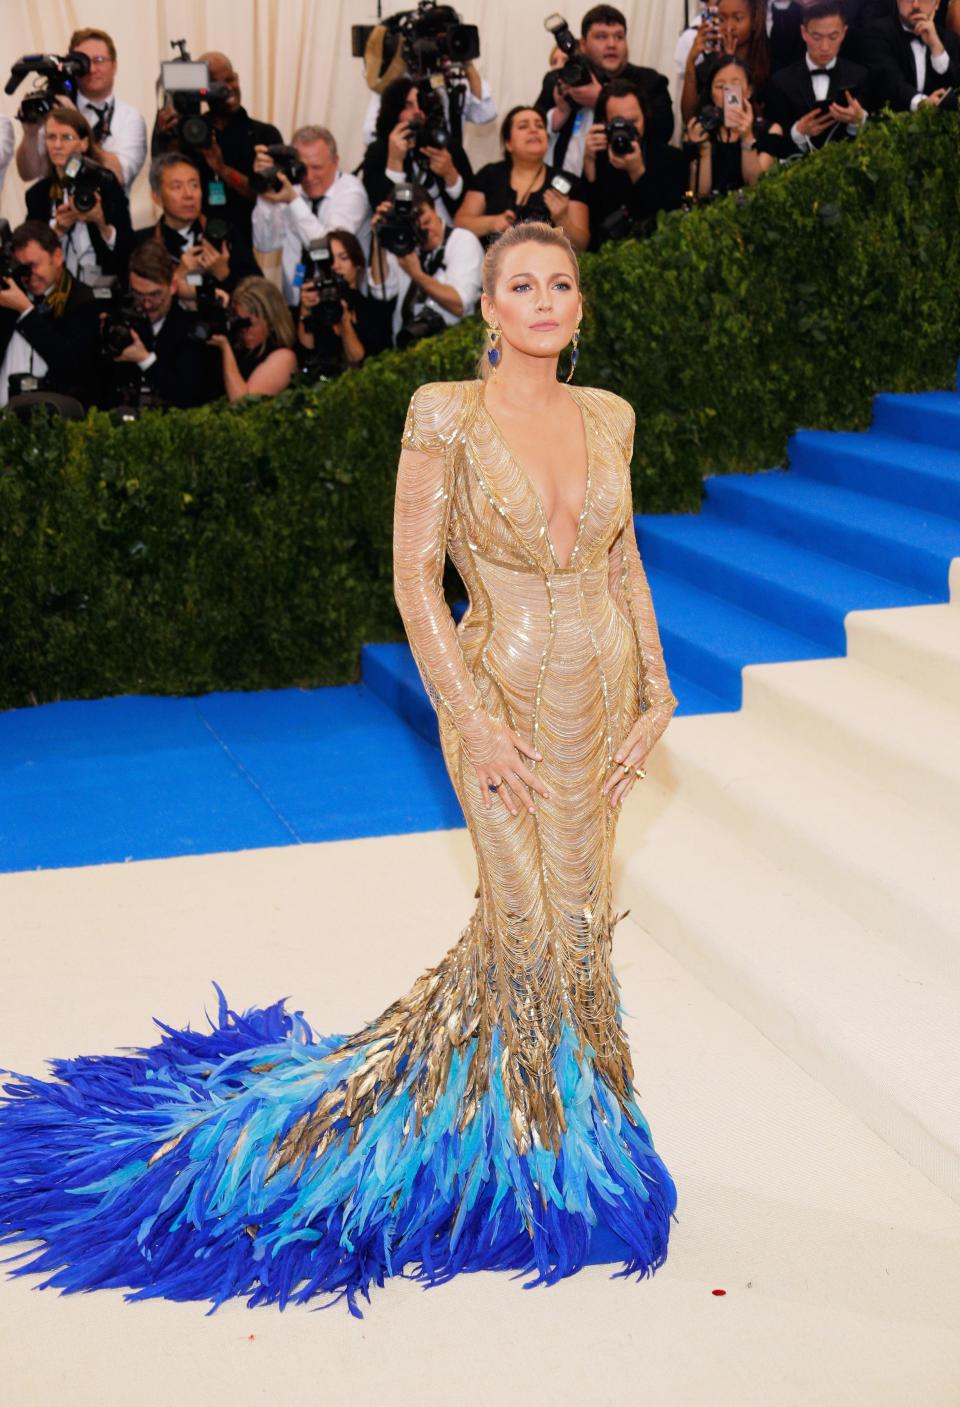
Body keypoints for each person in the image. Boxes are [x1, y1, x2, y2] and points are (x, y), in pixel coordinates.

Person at [0, 220, 678, 1313]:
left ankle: (574, 1151)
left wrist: (659, 685)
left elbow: (624, 558)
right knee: (527, 933)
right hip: (494, 699)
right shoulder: (443, 414)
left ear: (578, 306)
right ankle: (519, 1171)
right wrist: (474, 721)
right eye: (521, 284)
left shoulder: (611, 417)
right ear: (489, 308)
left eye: (561, 283)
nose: (544, 299)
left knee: (583, 931)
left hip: (599, 705)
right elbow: (417, 583)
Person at [152, 51, 282, 241]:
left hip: (243, 242)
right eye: (217, 84)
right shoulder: (189, 134)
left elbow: (270, 198)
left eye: (230, 79)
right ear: (201, 90)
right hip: (192, 241)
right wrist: (164, 135)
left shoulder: (265, 134)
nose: (227, 88)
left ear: (237, 77)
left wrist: (221, 168)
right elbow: (163, 185)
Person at [534, 4, 674, 175]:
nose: (611, 44)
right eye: (601, 37)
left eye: (619, 37)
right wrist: (559, 115)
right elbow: (532, 131)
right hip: (562, 188)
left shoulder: (649, 81)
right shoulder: (560, 80)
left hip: (619, 189)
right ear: (583, 44)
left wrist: (602, 100)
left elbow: (663, 131)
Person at [14, 26, 147, 193]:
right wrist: (30, 135)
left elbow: (119, 176)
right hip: (54, 210)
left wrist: (76, 120)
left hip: (106, 214)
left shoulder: (129, 118)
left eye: (99, 60)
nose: (91, 69)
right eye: (83, 62)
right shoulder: (54, 110)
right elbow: (28, 174)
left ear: (114, 65)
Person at [251, 126, 371, 308]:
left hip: (343, 305)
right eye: (302, 167)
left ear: (335, 161)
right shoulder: (292, 187)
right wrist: (265, 190)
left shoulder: (351, 192)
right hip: (295, 305)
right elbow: (265, 244)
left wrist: (292, 200)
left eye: (317, 167)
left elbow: (328, 250)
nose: (308, 176)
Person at [102, 240, 224, 410]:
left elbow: (188, 397)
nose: (146, 304)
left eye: (155, 295)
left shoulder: (192, 328)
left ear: (173, 286)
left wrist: (145, 360)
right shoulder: (120, 321)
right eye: (138, 294)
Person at [454, 107, 591, 252]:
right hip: (493, 268)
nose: (534, 130)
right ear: (508, 144)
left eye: (540, 126)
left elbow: (581, 245)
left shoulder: (568, 182)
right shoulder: (490, 174)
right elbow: (460, 224)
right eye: (523, 126)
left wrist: (562, 219)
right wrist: (491, 222)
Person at [134, 153, 261, 301]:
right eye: (177, 187)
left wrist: (224, 274)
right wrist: (177, 277)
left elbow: (260, 295)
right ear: (156, 197)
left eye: (194, 185)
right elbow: (136, 301)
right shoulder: (141, 243)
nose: (189, 194)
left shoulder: (225, 235)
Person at [25, 108, 133, 285]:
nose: (57, 145)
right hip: (56, 290)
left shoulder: (104, 183)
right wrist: (57, 231)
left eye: (66, 137)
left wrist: (101, 224)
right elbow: (30, 256)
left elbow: (128, 246)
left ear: (83, 144)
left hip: (103, 284)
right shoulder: (37, 195)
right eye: (51, 137)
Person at [0, 220, 100, 408]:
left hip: (56, 418)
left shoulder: (82, 301)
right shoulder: (9, 295)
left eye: (34, 265)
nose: (28, 275)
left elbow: (70, 364)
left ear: (57, 256)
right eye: (21, 267)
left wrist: (26, 311)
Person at [369, 184, 483, 346]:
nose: (426, 231)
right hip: (406, 346)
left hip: (451, 346)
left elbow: (459, 304)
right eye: (417, 227)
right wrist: (378, 239)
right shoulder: (403, 241)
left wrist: (416, 274)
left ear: (435, 209)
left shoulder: (462, 240)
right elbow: (381, 291)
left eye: (427, 222)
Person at [582, 80, 687, 249]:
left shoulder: (671, 158)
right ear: (603, 123)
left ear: (645, 117)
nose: (626, 129)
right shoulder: (598, 158)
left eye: (633, 122)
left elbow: (669, 218)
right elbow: (591, 223)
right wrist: (589, 164)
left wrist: (638, 173)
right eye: (618, 122)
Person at [360, 76, 473, 225]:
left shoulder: (443, 145)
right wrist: (396, 166)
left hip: (450, 233)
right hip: (406, 238)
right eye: (408, 105)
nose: (417, 111)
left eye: (420, 103)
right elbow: (393, 212)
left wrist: (451, 176)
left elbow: (471, 205)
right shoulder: (378, 153)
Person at [765, 1, 870, 153]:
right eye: (817, 37)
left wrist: (857, 121)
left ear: (844, 33)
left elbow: (872, 141)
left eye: (833, 37)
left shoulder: (860, 77)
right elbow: (772, 144)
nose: (824, 47)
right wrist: (798, 131)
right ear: (803, 33)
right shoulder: (781, 82)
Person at [296, 229, 394, 379]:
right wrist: (305, 311)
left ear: (358, 264)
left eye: (343, 258)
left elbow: (361, 362)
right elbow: (306, 352)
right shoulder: (316, 306)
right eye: (330, 260)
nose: (336, 265)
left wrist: (344, 322)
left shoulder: (374, 310)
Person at [685, 57, 784, 198]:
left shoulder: (769, 130)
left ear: (749, 91)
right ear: (711, 95)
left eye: (735, 86)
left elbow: (757, 187)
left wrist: (747, 138)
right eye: (720, 87)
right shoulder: (702, 129)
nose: (728, 93)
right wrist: (704, 149)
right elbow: (699, 195)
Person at [361, 57, 497, 148]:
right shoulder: (397, 84)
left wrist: (468, 65)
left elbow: (486, 113)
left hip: (446, 162)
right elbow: (369, 135)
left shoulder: (453, 82)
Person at [209, 274, 297, 402]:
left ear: (271, 322)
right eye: (240, 322)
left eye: (250, 324)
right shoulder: (237, 345)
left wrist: (225, 347)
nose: (244, 331)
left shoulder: (284, 357)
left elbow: (243, 404)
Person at [680, 0, 771, 122]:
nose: (729, 27)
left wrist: (731, 67)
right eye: (722, 19)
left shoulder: (770, 64)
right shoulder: (708, 65)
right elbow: (689, 119)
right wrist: (691, 61)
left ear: (754, 21)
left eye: (738, 18)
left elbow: (735, 120)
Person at [860, 0, 960, 110]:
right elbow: (889, 81)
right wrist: (923, 103)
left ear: (937, 4)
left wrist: (936, 47)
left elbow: (954, 87)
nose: (915, 5)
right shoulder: (876, 32)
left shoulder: (950, 40)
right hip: (889, 122)